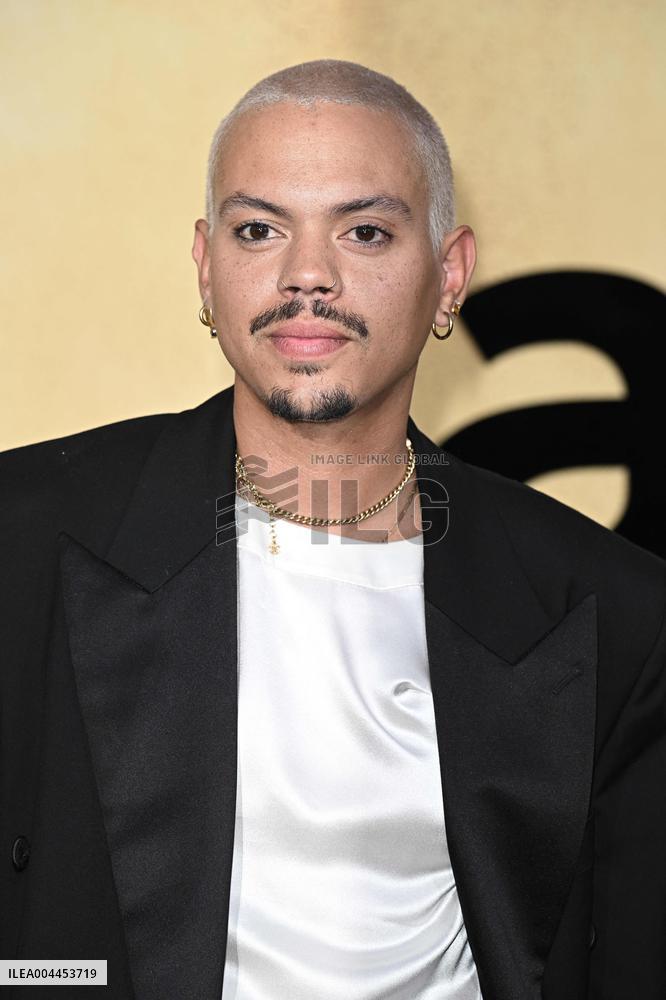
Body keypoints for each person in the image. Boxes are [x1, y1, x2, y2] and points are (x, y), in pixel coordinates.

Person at [1, 60, 664, 1000]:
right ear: (205, 264)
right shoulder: (26, 534)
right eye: (259, 228)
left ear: (450, 274)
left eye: (364, 231)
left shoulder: (607, 609)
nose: (306, 274)